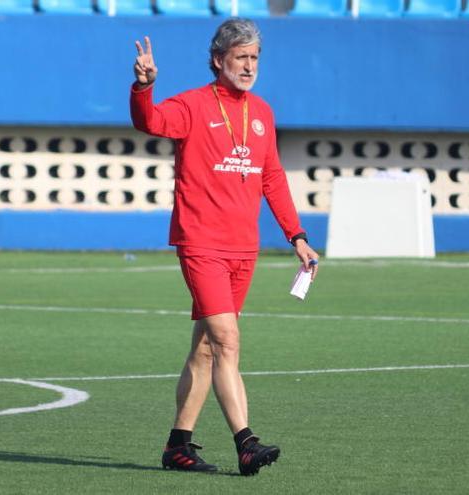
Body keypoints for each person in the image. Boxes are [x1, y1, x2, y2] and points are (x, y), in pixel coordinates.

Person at [129, 19, 319, 476]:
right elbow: (150, 120)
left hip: (242, 248)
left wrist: (297, 236)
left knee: (207, 350)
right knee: (228, 340)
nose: (249, 66)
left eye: (254, 58)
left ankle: (178, 446)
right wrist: (143, 87)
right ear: (219, 60)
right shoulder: (192, 105)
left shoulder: (263, 113)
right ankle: (246, 442)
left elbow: (271, 177)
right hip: (201, 244)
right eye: (241, 58)